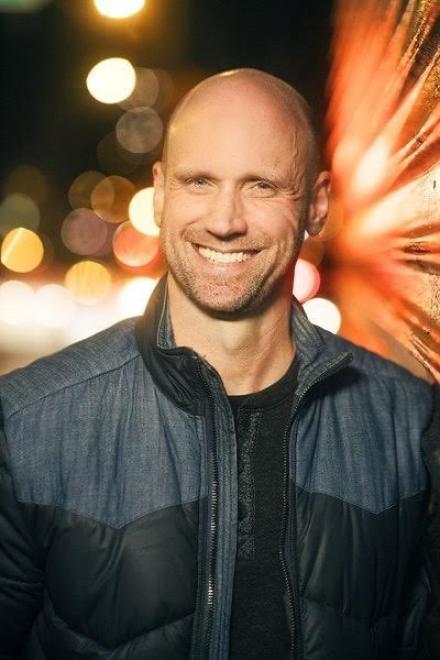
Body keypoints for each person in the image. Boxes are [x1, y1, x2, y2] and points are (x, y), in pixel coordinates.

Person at [0, 68, 438, 660]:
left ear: (316, 204)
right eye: (199, 182)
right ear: (160, 193)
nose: (225, 221)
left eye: (262, 186)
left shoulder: (408, 422)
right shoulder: (28, 424)